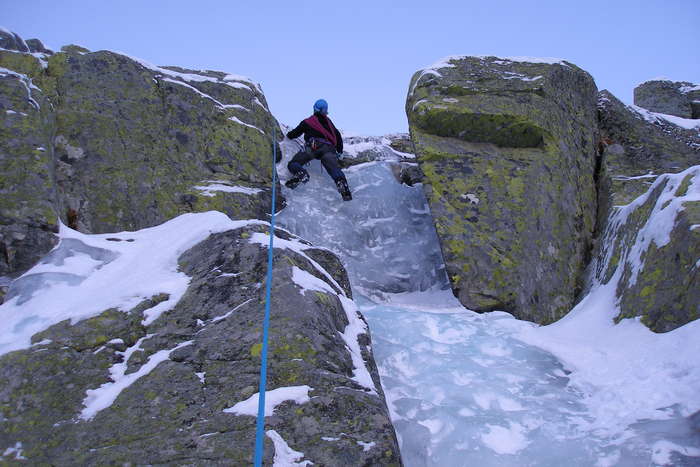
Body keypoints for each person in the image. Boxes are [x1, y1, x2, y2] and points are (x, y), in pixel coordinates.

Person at [284, 99, 352, 201]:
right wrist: (340, 151)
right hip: (329, 149)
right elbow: (338, 136)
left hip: (313, 146)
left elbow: (294, 134)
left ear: (315, 109)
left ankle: (301, 174)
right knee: (334, 170)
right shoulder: (329, 123)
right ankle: (343, 185)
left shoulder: (307, 122)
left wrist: (288, 134)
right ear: (325, 110)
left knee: (294, 163)